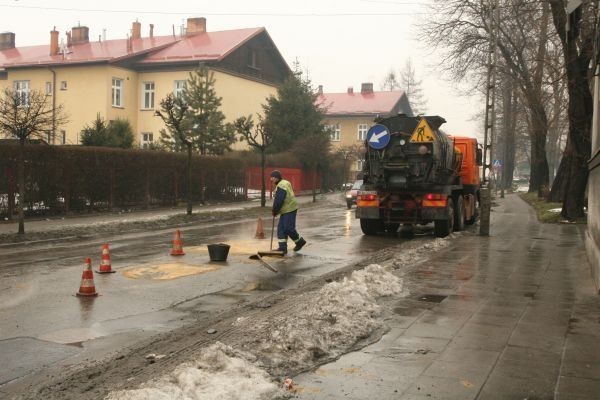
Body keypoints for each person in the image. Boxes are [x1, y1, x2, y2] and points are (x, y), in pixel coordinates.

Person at [270, 170, 306, 254]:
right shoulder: (284, 182)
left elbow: (279, 200)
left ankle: (300, 242)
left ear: (276, 177)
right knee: (281, 229)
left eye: (272, 177)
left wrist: (275, 210)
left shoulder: (281, 185)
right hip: (286, 209)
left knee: (288, 228)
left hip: (289, 208)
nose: (271, 179)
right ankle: (282, 248)